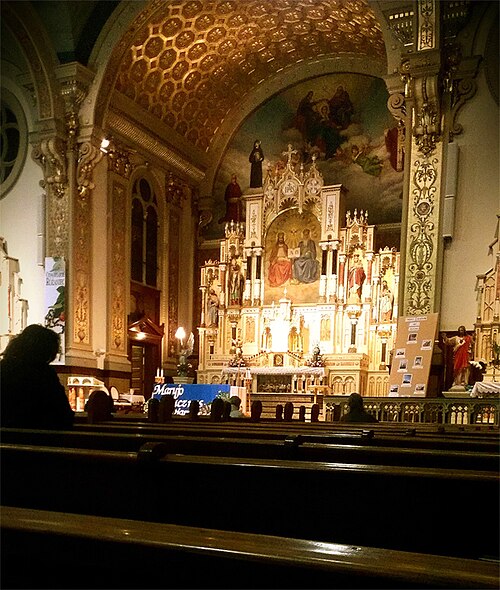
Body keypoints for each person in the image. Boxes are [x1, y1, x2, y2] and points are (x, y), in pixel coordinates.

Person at [0, 324, 74, 429]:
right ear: (45, 351)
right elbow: (63, 414)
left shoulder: (3, 368)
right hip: (39, 437)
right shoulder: (44, 374)